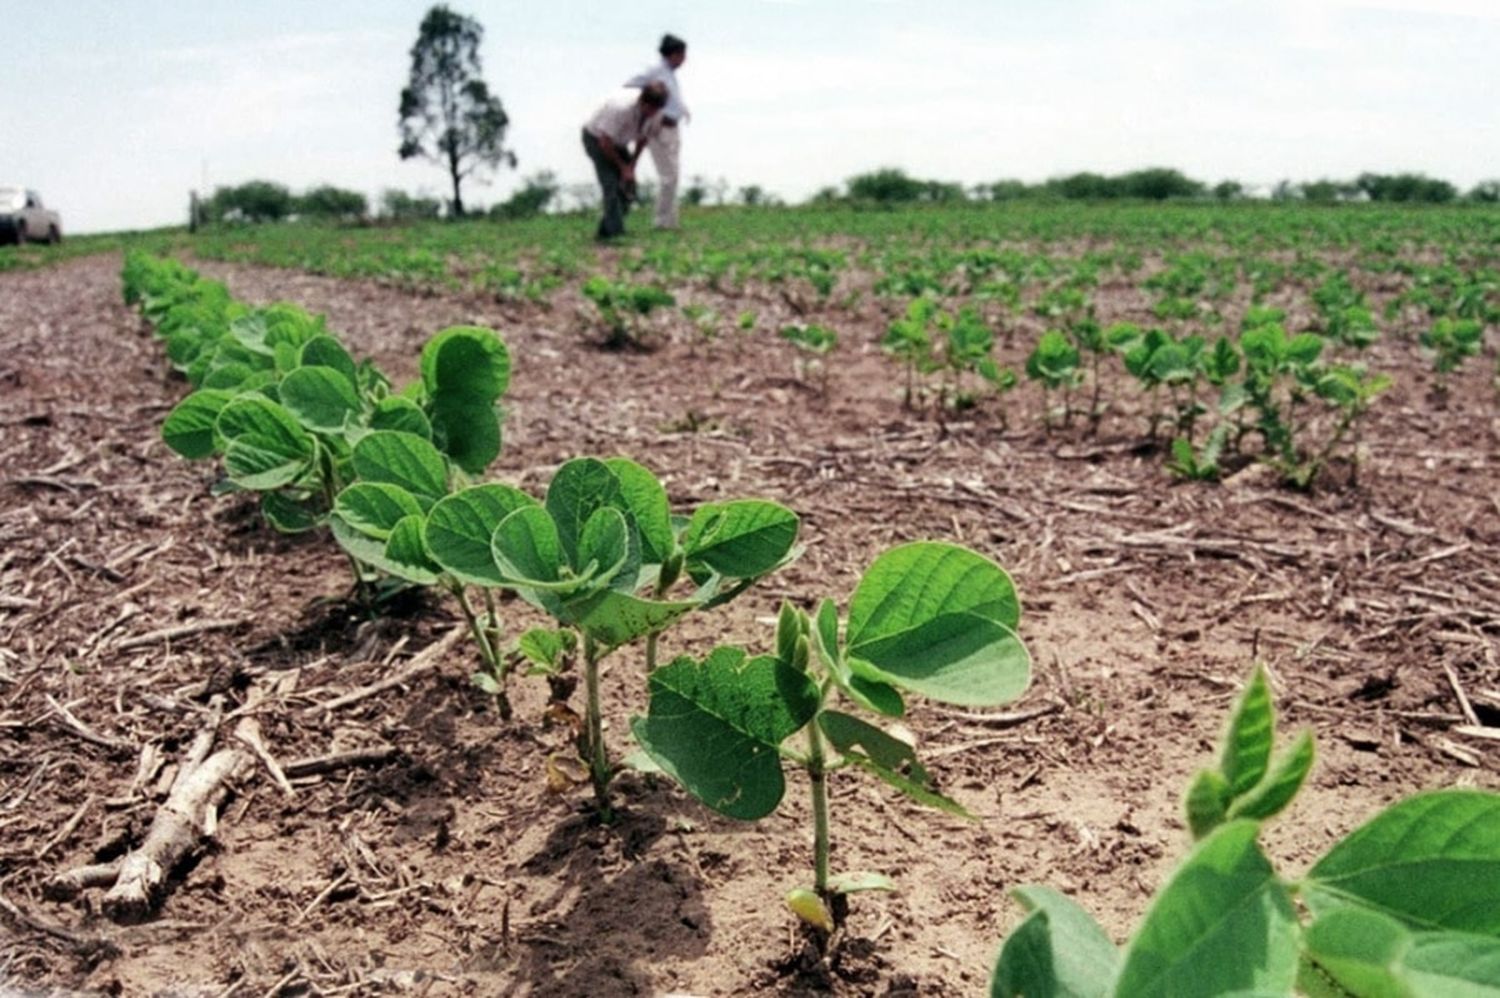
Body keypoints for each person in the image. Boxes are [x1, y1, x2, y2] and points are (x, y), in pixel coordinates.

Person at [581, 82, 668, 241]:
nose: (652, 113)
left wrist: (631, 166)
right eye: (650, 109)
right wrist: (623, 168)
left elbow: (643, 140)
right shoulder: (620, 108)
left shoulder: (657, 114)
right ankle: (616, 233)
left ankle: (606, 230)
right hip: (596, 139)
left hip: (619, 142)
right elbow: (604, 142)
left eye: (656, 110)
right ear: (642, 101)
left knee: (629, 187)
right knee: (612, 183)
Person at [625, 34, 689, 230]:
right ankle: (662, 223)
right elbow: (630, 86)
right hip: (659, 127)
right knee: (668, 176)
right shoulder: (654, 70)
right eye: (682, 55)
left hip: (673, 127)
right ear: (674, 54)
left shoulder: (669, 73)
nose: (684, 59)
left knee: (673, 175)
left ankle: (670, 221)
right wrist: (653, 113)